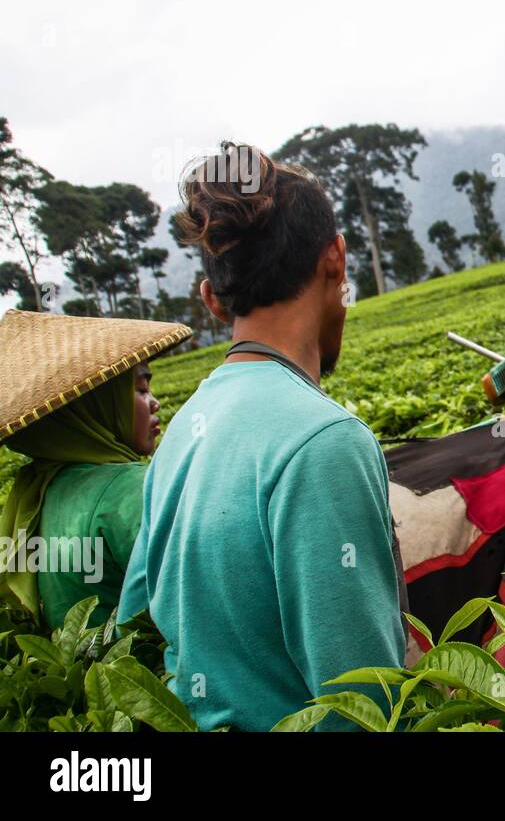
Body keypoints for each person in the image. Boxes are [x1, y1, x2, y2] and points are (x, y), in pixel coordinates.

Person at [117, 141, 405, 731]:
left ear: (211, 301)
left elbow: (138, 623)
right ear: (337, 260)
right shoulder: (324, 440)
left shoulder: (179, 437)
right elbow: (362, 707)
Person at [0, 311, 190, 628]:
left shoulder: (36, 491)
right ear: (97, 408)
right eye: (141, 390)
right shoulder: (131, 489)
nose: (154, 403)